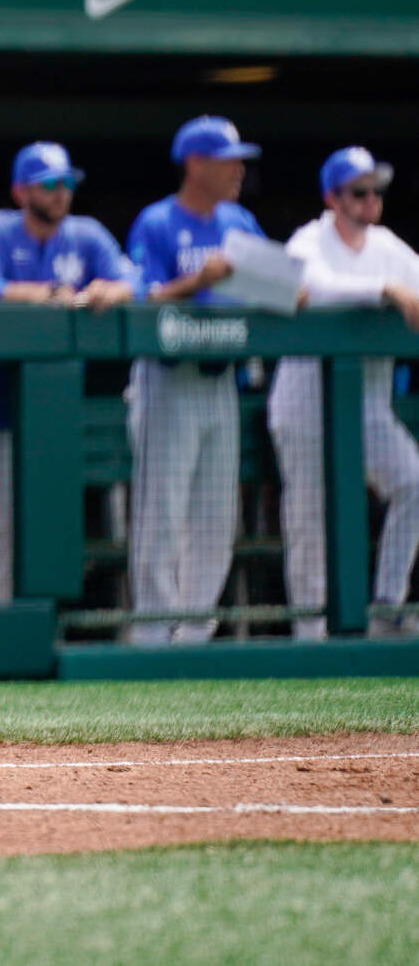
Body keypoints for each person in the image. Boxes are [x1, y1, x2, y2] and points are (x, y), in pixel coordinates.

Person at [0, 143, 135, 603]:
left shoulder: (87, 234)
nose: (61, 193)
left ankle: (49, 623)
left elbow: (133, 280)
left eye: (67, 183)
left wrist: (111, 290)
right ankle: (2, 624)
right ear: (21, 192)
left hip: (59, 410)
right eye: (49, 184)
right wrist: (42, 294)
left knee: (52, 522)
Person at [124, 115, 271, 646]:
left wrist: (272, 279)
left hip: (221, 377)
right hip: (169, 379)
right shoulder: (157, 221)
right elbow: (141, 298)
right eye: (228, 160)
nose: (238, 170)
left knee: (216, 515)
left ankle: (195, 633)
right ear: (195, 164)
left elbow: (287, 289)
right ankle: (153, 632)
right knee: (162, 511)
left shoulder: (240, 221)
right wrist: (196, 280)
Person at [270, 148, 419, 639]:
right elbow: (313, 286)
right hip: (305, 408)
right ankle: (310, 635)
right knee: (309, 523)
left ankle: (386, 606)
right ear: (332, 198)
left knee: (414, 484)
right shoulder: (308, 240)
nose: (371, 199)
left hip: (367, 408)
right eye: (359, 192)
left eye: (376, 190)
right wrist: (387, 290)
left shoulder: (387, 246)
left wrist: (402, 288)